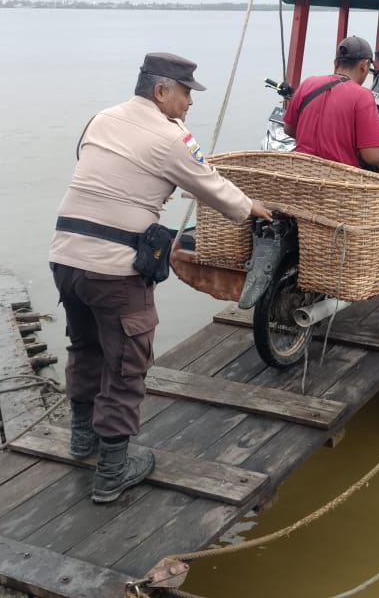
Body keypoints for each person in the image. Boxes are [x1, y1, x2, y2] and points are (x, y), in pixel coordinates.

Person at [49, 52, 273, 504]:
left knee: (86, 346)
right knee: (126, 365)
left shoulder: (101, 118)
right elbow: (214, 189)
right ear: (161, 91)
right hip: (113, 269)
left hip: (66, 258)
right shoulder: (172, 138)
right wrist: (254, 208)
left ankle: (81, 440)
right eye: (187, 92)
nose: (190, 102)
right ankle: (113, 472)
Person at [282, 35, 379, 336]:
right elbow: (371, 154)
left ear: (336, 62)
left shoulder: (307, 84)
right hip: (340, 191)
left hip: (303, 182)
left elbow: (289, 128)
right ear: (363, 66)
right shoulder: (362, 97)